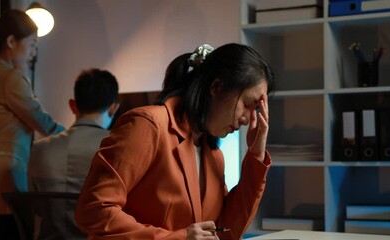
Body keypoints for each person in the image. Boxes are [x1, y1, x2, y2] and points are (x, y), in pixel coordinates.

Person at [75, 43, 275, 240]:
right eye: (247, 105)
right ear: (216, 87)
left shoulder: (214, 155)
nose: (248, 119)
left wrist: (255, 155)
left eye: (255, 111)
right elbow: (94, 211)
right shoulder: (148, 125)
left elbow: (225, 232)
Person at [28, 68, 119, 239]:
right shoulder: (116, 147)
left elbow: (36, 208)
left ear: (73, 105)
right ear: (113, 108)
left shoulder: (38, 149)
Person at [0, 9, 65, 238]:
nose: (34, 53)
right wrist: (75, 136)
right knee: (13, 230)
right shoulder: (10, 78)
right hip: (6, 172)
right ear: (10, 41)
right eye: (32, 44)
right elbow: (42, 122)